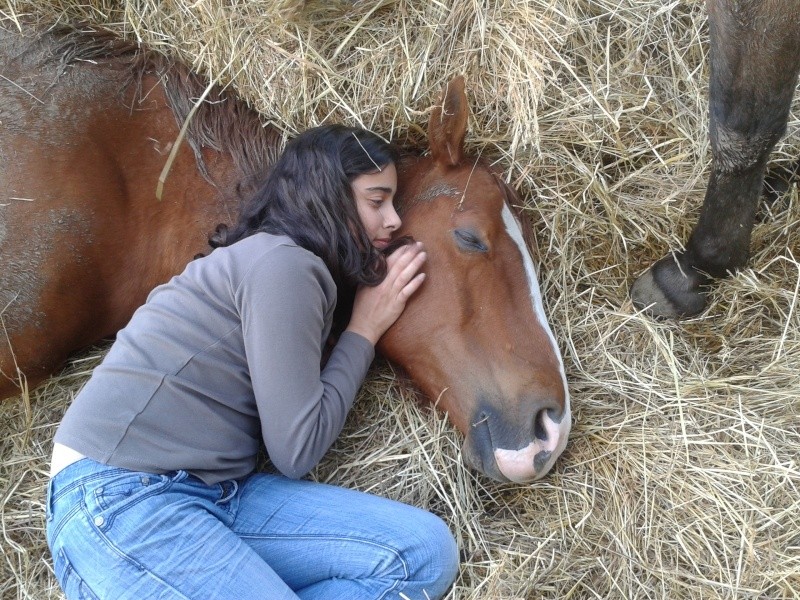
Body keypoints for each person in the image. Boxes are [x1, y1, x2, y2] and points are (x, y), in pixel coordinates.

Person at [45, 124, 460, 600]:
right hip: (121, 496)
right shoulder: (285, 266)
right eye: (376, 201)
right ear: (328, 196)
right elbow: (296, 450)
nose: (392, 221)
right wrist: (364, 330)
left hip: (215, 492)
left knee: (422, 554)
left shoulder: (284, 267)